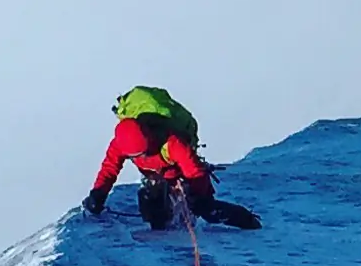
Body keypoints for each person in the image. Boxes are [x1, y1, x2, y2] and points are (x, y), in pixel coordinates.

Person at [84, 86, 262, 230]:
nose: (143, 157)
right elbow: (110, 168)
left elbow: (194, 171)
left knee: (207, 210)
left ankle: (248, 222)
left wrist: (201, 197)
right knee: (152, 206)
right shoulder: (119, 144)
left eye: (144, 152)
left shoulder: (171, 142)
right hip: (158, 175)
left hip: (177, 172)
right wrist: (98, 194)